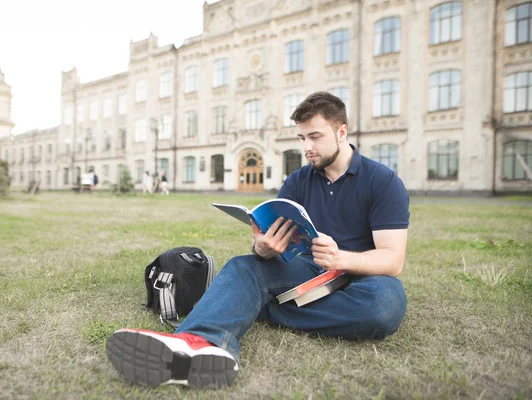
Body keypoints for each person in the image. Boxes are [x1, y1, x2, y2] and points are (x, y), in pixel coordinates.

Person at [106, 92, 410, 389]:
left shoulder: (382, 181)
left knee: (385, 305)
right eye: (302, 138)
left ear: (341, 132)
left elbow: (392, 260)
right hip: (305, 270)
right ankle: (195, 344)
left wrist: (341, 258)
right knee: (244, 266)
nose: (307, 147)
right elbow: (270, 243)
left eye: (315, 136)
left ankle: (259, 307)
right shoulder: (297, 181)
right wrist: (263, 248)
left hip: (359, 278)